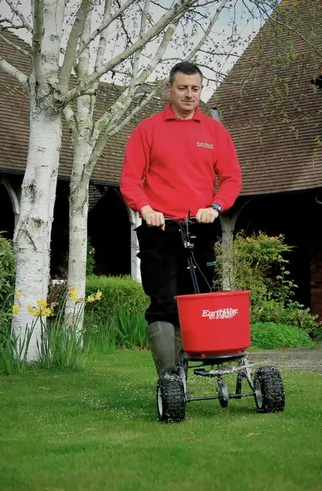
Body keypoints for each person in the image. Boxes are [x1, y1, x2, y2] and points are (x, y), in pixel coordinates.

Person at [119, 61, 242, 378]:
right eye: (183, 88)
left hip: (201, 227)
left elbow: (231, 179)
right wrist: (145, 208)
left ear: (202, 91)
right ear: (169, 90)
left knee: (200, 298)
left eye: (195, 89)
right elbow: (131, 180)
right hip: (159, 229)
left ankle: (200, 356)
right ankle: (170, 376)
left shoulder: (214, 131)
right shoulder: (148, 129)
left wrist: (214, 207)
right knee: (163, 303)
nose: (189, 95)